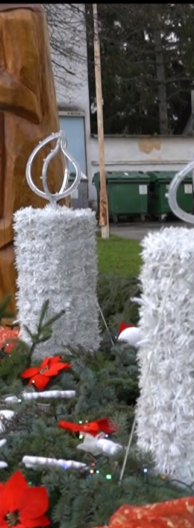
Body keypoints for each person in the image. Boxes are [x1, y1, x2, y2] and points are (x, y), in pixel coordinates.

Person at [0, 4, 63, 319]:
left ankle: (21, 323)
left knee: (15, 244)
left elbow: (28, 96)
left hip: (21, 151)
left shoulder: (17, 16)